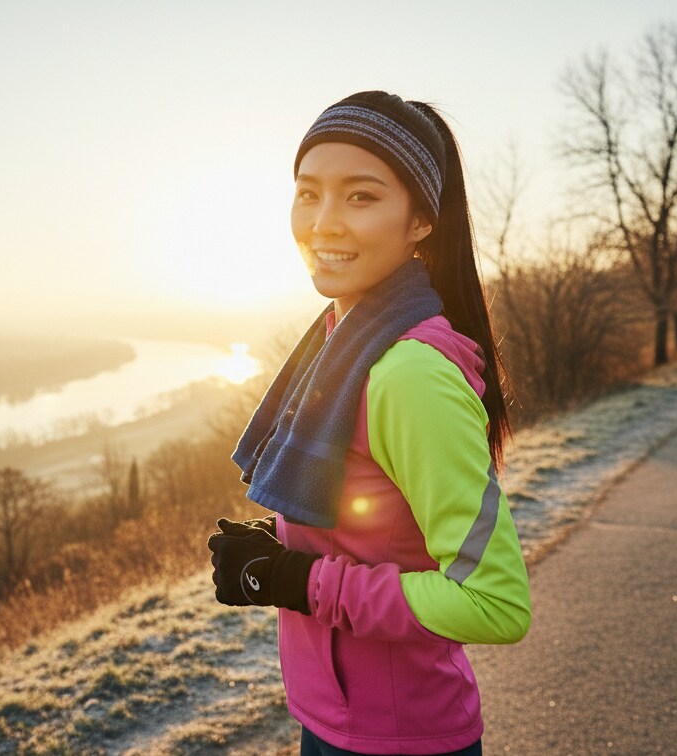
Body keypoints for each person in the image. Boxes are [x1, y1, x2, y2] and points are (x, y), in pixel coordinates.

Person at [207, 90, 532, 756]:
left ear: (420, 222)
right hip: (335, 721)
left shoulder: (409, 372)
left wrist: (297, 580)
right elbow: (387, 525)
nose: (323, 223)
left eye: (361, 197)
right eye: (308, 193)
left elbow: (495, 602)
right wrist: (280, 542)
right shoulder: (340, 338)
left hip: (395, 740)